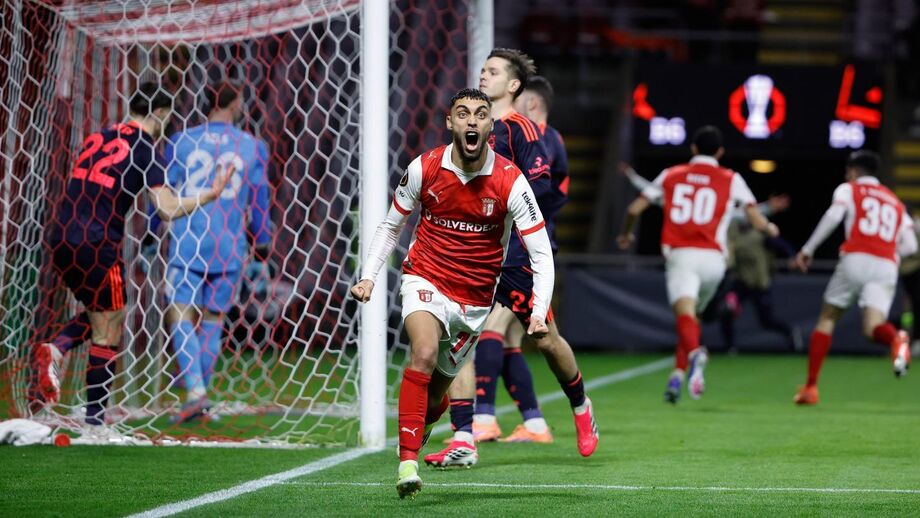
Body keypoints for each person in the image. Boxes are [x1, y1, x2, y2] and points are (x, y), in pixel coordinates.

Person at [350, 88, 554, 498]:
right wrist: (369, 275)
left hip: (475, 299)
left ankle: (427, 420)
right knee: (422, 353)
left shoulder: (510, 180)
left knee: (438, 392)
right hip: (425, 277)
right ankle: (407, 463)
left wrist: (539, 307)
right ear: (451, 123)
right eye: (463, 114)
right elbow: (391, 226)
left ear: (489, 125)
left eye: (481, 114)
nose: (472, 121)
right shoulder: (425, 168)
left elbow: (540, 250)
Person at [35, 81, 233, 435]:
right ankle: (95, 422)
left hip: (62, 235)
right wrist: (211, 194)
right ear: (160, 113)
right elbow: (168, 209)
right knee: (108, 329)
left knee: (104, 315)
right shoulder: (145, 147)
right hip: (97, 242)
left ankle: (59, 347)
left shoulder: (101, 135)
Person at [431, 50, 599, 464]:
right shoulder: (471, 126)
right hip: (472, 254)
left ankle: (581, 407)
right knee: (458, 342)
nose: (483, 75)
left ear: (513, 86)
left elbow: (541, 187)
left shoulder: (521, 128)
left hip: (516, 256)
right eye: (482, 69)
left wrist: (505, 203)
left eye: (492, 71)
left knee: (544, 337)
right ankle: (465, 438)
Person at [617, 125, 779, 403]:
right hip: (715, 262)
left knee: (685, 317)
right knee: (693, 320)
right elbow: (755, 218)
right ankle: (678, 375)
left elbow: (634, 209)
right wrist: (770, 228)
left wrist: (626, 234)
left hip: (682, 257)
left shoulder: (673, 174)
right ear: (720, 152)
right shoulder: (731, 178)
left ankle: (695, 355)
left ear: (692, 148)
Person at [162, 81, 272, 423]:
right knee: (213, 319)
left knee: (180, 314)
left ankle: (196, 394)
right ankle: (200, 396)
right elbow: (259, 200)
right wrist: (263, 240)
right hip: (228, 244)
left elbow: (163, 191)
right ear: (236, 102)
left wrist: (154, 232)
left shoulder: (181, 140)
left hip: (188, 239)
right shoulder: (252, 146)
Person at [468, 75, 569, 444]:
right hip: (511, 247)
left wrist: (520, 222)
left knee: (493, 331)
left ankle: (483, 418)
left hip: (524, 252)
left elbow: (545, 192)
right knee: (508, 340)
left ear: (530, 102)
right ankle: (535, 423)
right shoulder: (528, 136)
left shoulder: (537, 138)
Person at [792, 150, 916, 405]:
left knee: (828, 317)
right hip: (886, 264)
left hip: (856, 257)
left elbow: (833, 216)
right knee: (873, 329)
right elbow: (911, 246)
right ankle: (896, 338)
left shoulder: (850, 189)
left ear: (854, 171)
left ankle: (811, 387)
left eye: (849, 170)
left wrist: (808, 249)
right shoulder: (894, 201)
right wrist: (889, 255)